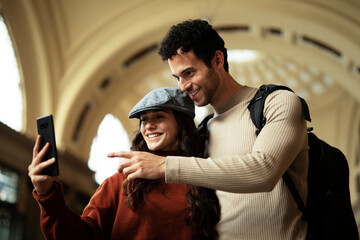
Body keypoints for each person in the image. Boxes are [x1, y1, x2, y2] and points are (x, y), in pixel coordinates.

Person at [111, 19, 309, 239]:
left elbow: (264, 172)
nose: (182, 86)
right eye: (177, 77)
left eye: (189, 73)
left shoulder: (279, 102)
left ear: (217, 60)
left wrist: (166, 165)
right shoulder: (203, 131)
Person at [28, 87, 220, 240]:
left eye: (159, 117)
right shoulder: (118, 183)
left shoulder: (201, 175)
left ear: (182, 124)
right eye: (144, 120)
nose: (149, 126)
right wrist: (48, 195)